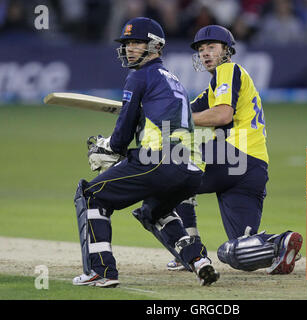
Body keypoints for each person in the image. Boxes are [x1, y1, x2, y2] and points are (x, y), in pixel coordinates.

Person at [72, 17, 219, 288]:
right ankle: (198, 260)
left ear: (155, 47)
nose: (130, 49)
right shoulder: (173, 80)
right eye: (127, 43)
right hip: (192, 169)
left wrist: (110, 147)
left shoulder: (139, 76)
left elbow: (124, 128)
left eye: (137, 43)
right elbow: (154, 124)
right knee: (153, 211)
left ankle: (101, 271)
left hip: (160, 160)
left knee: (90, 196)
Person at [167, 25, 303, 275]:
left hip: (235, 155)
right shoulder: (215, 87)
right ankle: (280, 243)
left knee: (175, 176)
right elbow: (183, 109)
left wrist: (170, 117)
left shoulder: (227, 70)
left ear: (227, 51)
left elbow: (221, 114)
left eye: (211, 47)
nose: (205, 53)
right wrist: (151, 111)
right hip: (254, 168)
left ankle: (187, 251)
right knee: (239, 252)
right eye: (201, 49)